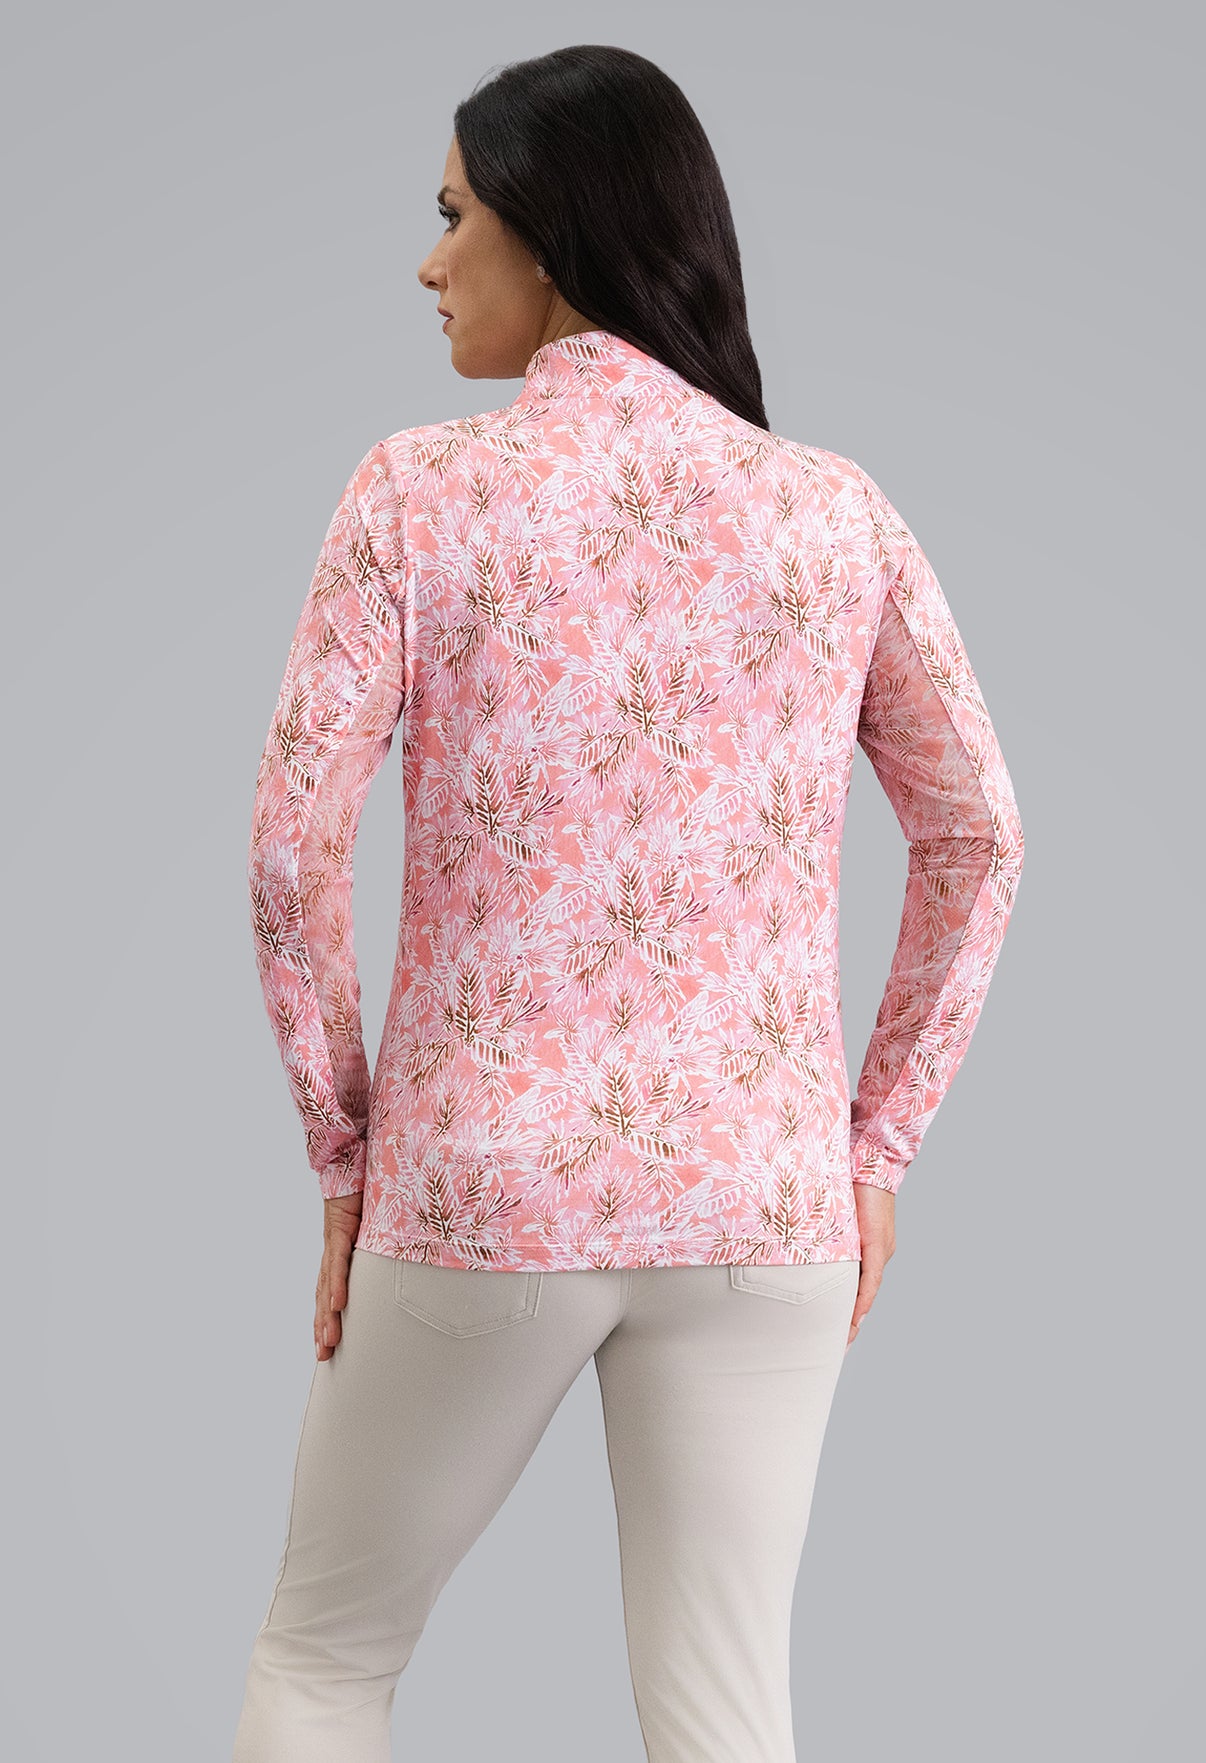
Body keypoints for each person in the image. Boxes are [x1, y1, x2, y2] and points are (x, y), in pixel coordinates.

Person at [232, 42, 1025, 1763]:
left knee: (325, 1661)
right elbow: (980, 839)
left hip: (482, 1190)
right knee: (724, 1715)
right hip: (759, 1200)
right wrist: (874, 1144)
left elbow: (291, 853)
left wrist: (345, 1159)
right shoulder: (834, 515)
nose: (429, 260)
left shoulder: (417, 493)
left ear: (553, 230)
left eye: (454, 214)